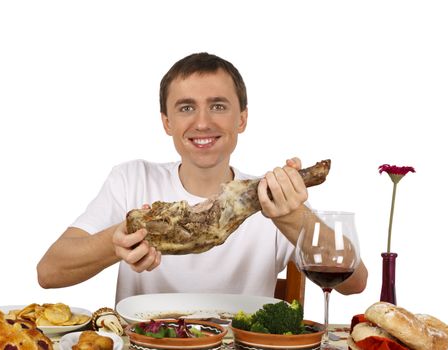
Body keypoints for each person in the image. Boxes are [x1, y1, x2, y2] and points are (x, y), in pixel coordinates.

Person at [36, 52, 368, 304]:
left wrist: (293, 216)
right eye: (186, 108)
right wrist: (117, 241)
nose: (203, 123)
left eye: (219, 106)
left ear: (242, 118)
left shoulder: (275, 194)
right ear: (166, 122)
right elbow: (49, 272)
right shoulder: (131, 179)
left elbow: (354, 283)